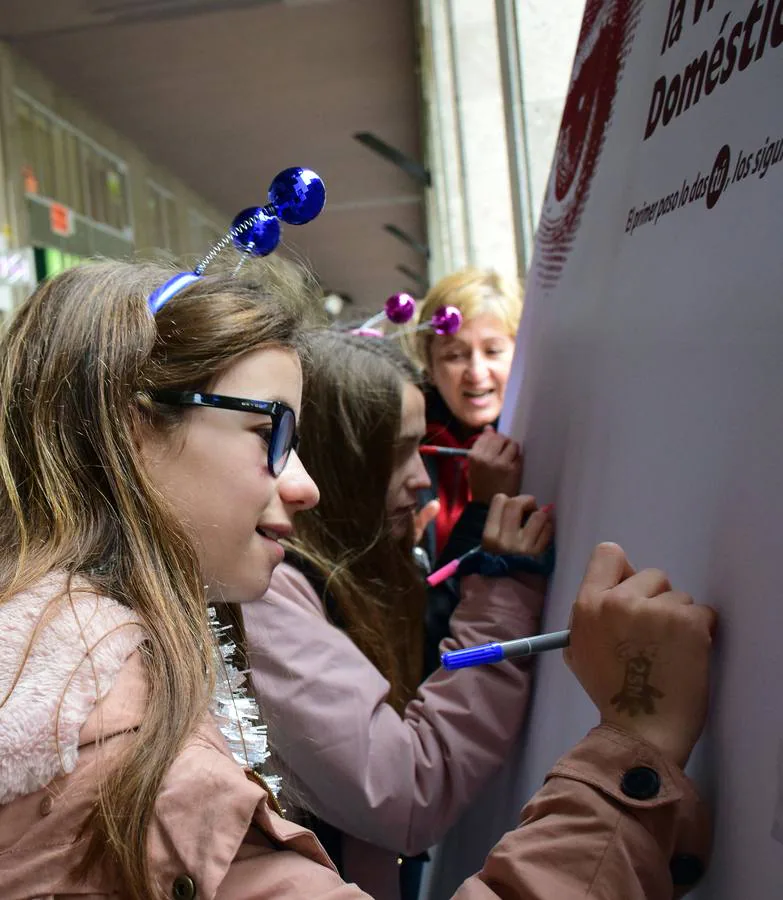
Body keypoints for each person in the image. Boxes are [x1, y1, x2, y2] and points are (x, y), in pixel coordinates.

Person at [0, 261, 714, 900]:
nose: (306, 486)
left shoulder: (80, 677)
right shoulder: (115, 742)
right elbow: (403, 787)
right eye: (271, 435)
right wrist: (634, 745)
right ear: (132, 432)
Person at [241, 331, 554, 900]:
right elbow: (406, 794)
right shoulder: (262, 596)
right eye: (395, 454)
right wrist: (502, 599)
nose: (419, 478)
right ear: (338, 466)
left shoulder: (328, 569)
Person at [410, 268, 524, 568]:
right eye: (454, 355)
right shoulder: (402, 449)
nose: (476, 372)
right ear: (430, 367)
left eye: (492, 351)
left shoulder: (548, 435)